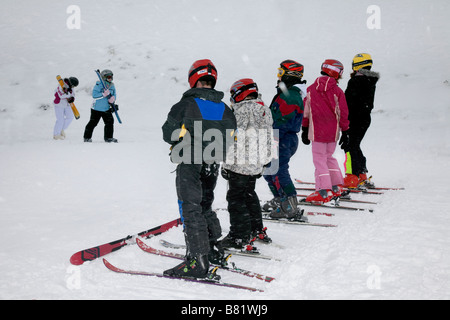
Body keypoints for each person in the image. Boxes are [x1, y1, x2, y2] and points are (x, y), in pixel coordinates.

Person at [161, 59, 237, 279]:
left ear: (193, 79)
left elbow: (169, 132)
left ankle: (197, 260)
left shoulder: (186, 104)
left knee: (191, 207)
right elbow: (231, 134)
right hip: (212, 162)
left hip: (190, 163)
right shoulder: (224, 107)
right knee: (205, 205)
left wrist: (185, 139)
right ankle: (212, 249)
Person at [220, 78, 273, 251]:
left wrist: (226, 165)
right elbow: (267, 136)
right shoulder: (264, 109)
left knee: (235, 199)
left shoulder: (241, 111)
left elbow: (233, 141)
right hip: (255, 164)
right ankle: (256, 229)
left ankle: (239, 236)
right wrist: (265, 160)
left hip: (239, 165)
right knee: (249, 194)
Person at [301, 59, 350, 204]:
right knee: (329, 157)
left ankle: (323, 190)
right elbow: (343, 112)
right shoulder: (337, 91)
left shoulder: (310, 89)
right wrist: (345, 130)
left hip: (317, 132)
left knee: (319, 159)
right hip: (332, 132)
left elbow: (306, 112)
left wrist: (304, 128)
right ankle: (336, 186)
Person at [262, 60, 306, 219]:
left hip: (283, 138)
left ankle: (290, 205)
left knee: (279, 170)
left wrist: (271, 136)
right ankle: (279, 199)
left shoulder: (291, 96)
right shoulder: (286, 93)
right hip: (277, 137)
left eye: (281, 73)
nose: (278, 77)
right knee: (268, 170)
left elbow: (282, 121)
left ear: (290, 75)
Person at [342, 53, 380, 188]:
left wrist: (344, 122)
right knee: (354, 145)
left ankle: (352, 177)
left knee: (349, 146)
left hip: (354, 118)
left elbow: (347, 102)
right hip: (364, 118)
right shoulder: (370, 80)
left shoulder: (356, 81)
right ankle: (362, 175)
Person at [83, 69, 118, 143]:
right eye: (108, 77)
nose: (110, 78)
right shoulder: (99, 84)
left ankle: (108, 137)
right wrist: (103, 94)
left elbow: (114, 93)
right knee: (93, 123)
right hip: (96, 108)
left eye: (111, 77)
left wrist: (113, 99)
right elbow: (94, 96)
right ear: (104, 77)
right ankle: (87, 137)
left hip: (106, 108)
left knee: (109, 122)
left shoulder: (112, 85)